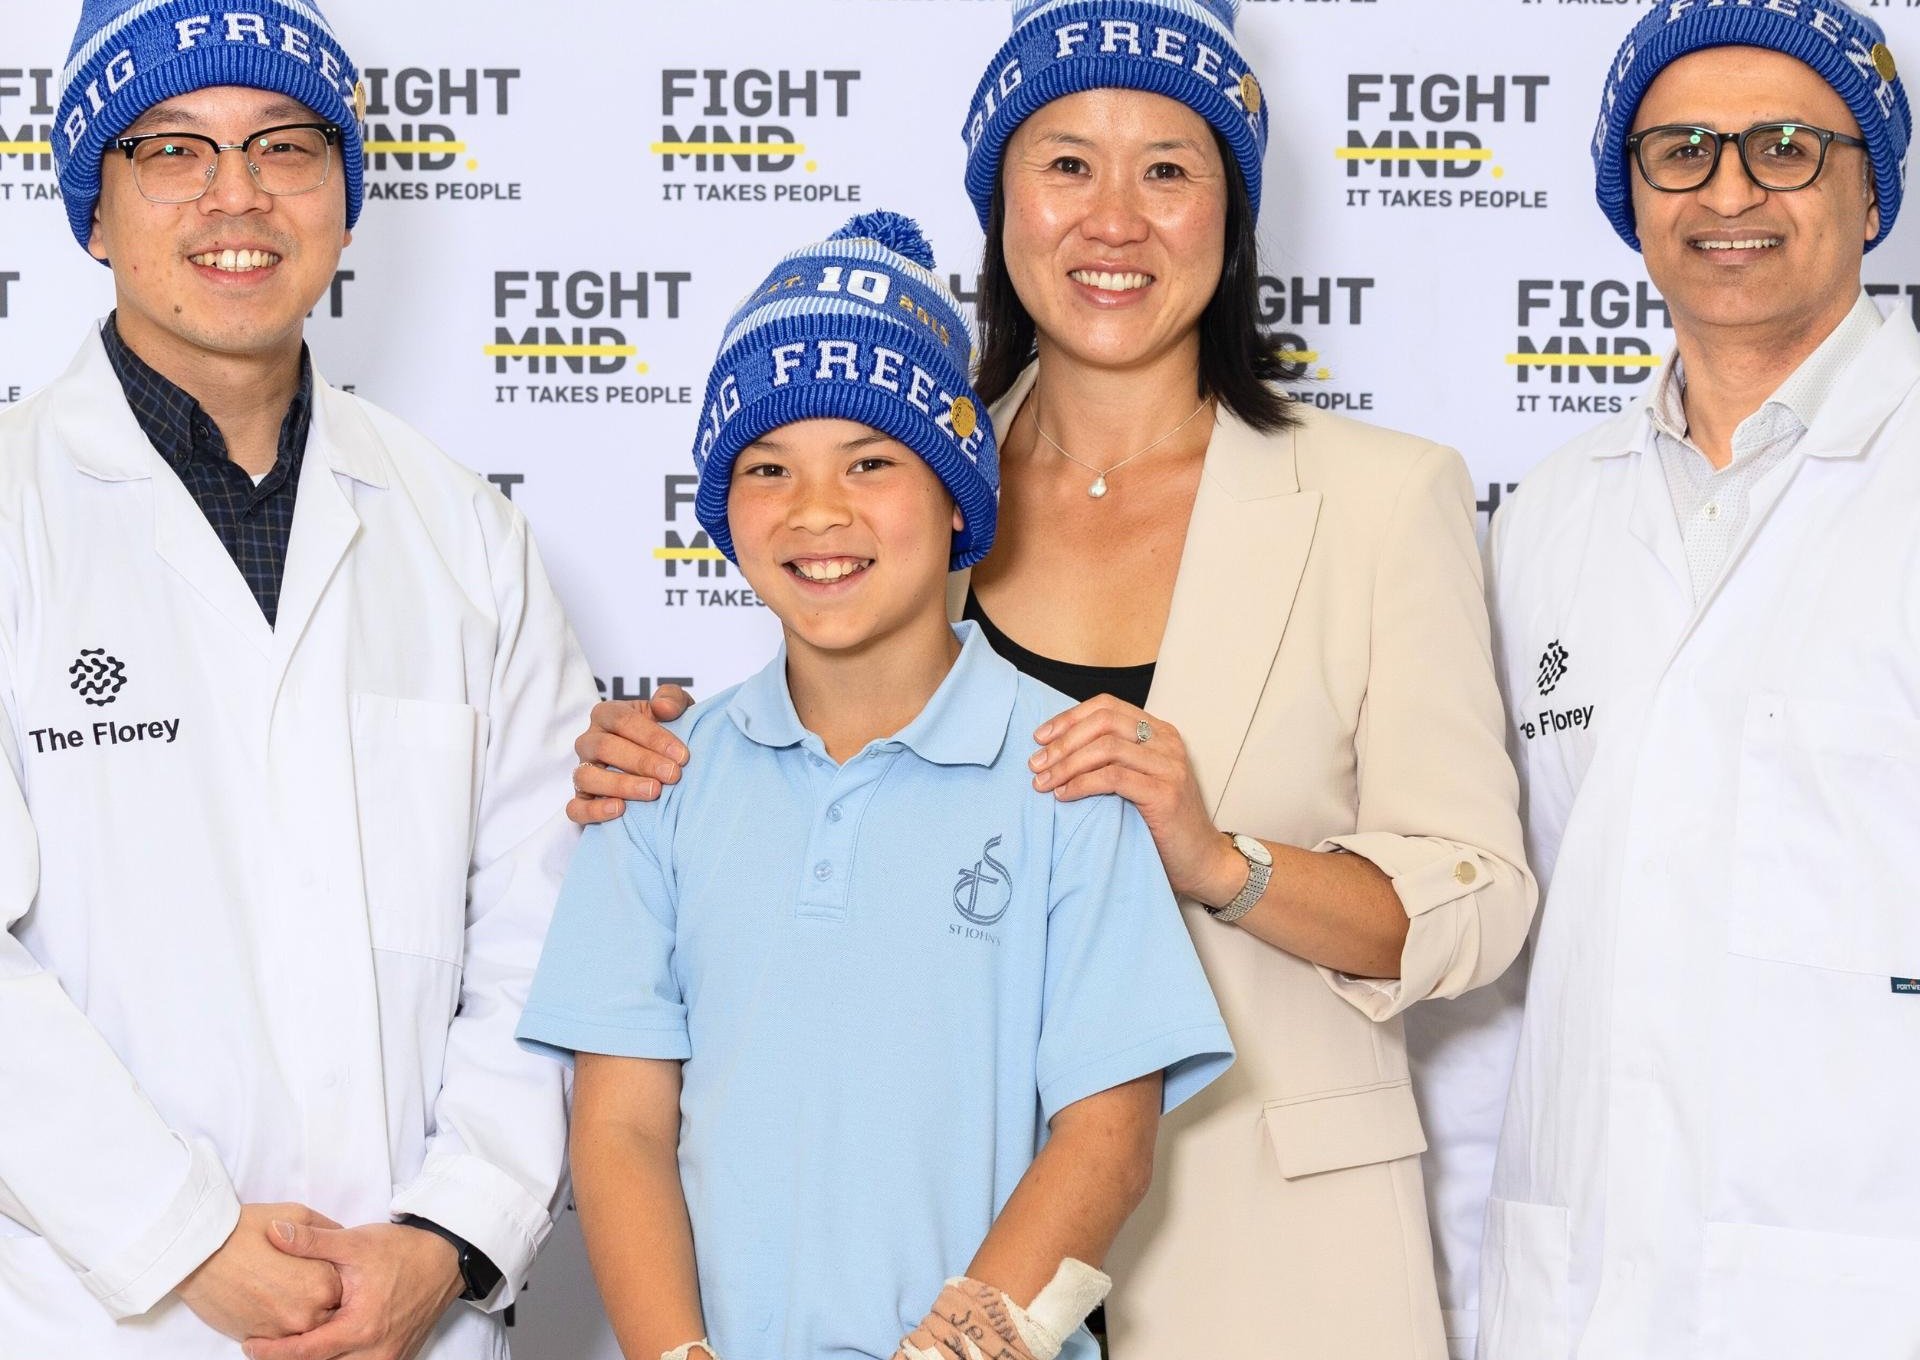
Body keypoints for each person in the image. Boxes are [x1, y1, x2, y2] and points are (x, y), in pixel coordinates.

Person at [567, 4, 1536, 1355]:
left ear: (1235, 210)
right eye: (1067, 162)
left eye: (1169, 168)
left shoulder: (1384, 499)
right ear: (1001, 197)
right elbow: (819, 768)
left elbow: (1476, 906)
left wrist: (1221, 860)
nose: (1114, 220)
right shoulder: (900, 472)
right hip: (935, 1247)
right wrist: (645, 750)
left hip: (1274, 1258)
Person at [515, 212, 1234, 1360]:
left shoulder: (1066, 773)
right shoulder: (657, 784)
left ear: (957, 496)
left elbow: (1107, 1136)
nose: (818, 511)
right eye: (768, 467)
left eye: (871, 461)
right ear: (723, 512)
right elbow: (622, 1129)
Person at [0, 2, 593, 1357]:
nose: (237, 197)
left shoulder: (461, 533)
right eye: (173, 151)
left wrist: (448, 1237)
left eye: (284, 146)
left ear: (342, 198)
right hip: (93, 1320)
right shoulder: (12, 511)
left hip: (412, 1320)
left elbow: (551, 930)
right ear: (94, 210)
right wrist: (186, 1239)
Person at [1477, 4, 1919, 1356]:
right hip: (1581, 1288)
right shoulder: (1541, 519)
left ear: (1869, 188)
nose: (1730, 190)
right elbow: (1506, 945)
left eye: (1786, 146)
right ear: (1632, 194)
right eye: (1680, 151)